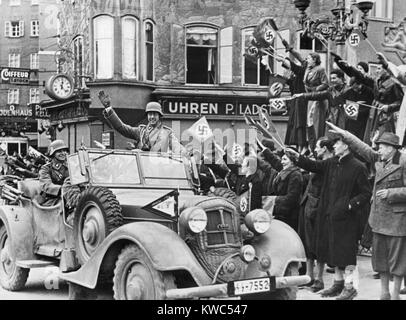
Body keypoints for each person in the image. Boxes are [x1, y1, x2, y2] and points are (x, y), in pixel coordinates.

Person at [286, 136, 372, 300]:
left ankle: (350, 287)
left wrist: (349, 205)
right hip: (329, 216)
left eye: (337, 144)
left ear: (347, 146)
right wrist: (296, 157)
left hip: (347, 218)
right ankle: (338, 284)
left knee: (346, 255)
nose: (334, 147)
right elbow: (313, 165)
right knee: (333, 252)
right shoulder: (332, 162)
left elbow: (366, 193)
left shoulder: (358, 167)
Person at [327, 122, 406, 300]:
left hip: (397, 221)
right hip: (378, 219)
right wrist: (344, 133)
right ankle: (384, 293)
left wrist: (392, 193)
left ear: (393, 148)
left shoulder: (403, 160)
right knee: (381, 260)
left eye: (383, 146)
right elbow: (362, 147)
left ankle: (395, 295)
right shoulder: (379, 159)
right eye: (379, 146)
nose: (379, 149)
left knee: (397, 262)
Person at [332, 54, 404, 144]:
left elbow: (401, 102)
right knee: (372, 138)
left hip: (388, 117)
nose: (376, 71)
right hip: (375, 114)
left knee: (386, 139)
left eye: (379, 68)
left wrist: (389, 107)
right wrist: (346, 66)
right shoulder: (376, 81)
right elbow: (360, 77)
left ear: (386, 70)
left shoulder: (394, 83)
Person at [298, 137, 335, 292]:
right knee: (307, 243)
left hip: (318, 208)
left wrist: (296, 156)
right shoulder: (322, 163)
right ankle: (309, 276)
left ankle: (319, 279)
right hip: (308, 206)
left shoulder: (329, 164)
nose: (315, 150)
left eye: (318, 147)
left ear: (325, 149)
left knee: (318, 245)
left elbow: (312, 166)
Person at [99, 91, 185, 154]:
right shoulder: (141, 131)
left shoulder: (167, 133)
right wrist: (108, 108)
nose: (152, 117)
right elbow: (122, 128)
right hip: (142, 172)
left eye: (154, 114)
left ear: (159, 116)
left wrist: (185, 153)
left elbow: (176, 146)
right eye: (150, 114)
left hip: (159, 171)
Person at [279, 46, 329, 152]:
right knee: (306, 123)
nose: (306, 60)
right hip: (306, 98)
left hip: (315, 98)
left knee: (312, 122)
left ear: (315, 60)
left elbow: (325, 84)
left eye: (309, 58)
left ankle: (313, 146)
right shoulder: (307, 68)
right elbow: (299, 57)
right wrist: (289, 49)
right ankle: (306, 146)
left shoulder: (319, 69)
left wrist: (314, 89)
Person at [37, 140, 69, 207]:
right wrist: (62, 189)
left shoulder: (71, 166)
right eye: (59, 151)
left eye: (64, 151)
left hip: (70, 195)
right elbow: (46, 185)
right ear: (53, 153)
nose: (63, 153)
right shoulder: (46, 168)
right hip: (53, 198)